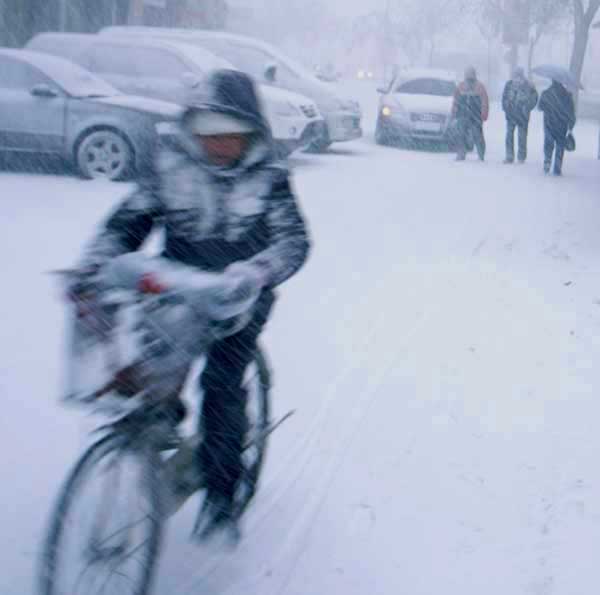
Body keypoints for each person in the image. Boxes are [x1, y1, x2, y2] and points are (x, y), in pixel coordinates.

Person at [71, 69, 311, 539]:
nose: (217, 143)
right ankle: (158, 423)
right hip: (174, 288)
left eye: (231, 134)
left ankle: (223, 499)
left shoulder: (270, 177)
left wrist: (256, 272)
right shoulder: (170, 167)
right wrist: (94, 267)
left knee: (221, 386)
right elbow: (126, 223)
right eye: (206, 131)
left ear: (252, 132)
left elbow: (294, 241)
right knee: (147, 371)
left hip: (238, 297)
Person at [538, 79, 576, 176]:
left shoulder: (546, 93)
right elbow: (571, 112)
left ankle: (547, 161)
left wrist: (549, 107)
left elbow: (540, 107)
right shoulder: (567, 95)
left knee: (548, 143)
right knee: (560, 146)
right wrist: (571, 126)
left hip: (549, 123)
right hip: (562, 125)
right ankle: (557, 167)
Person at [451, 66, 489, 162]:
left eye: (471, 74)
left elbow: (484, 101)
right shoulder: (461, 86)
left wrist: (484, 113)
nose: (469, 76)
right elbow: (456, 100)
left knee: (478, 135)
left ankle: (481, 154)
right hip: (462, 115)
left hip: (475, 116)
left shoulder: (480, 87)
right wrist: (454, 111)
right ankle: (461, 153)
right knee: (460, 135)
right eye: (468, 74)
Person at [502, 67, 538, 164]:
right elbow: (504, 97)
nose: (517, 76)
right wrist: (506, 106)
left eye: (518, 74)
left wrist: (527, 107)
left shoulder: (529, 85)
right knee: (510, 136)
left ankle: (521, 156)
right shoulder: (509, 84)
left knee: (521, 136)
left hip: (522, 115)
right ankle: (510, 156)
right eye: (515, 74)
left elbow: (534, 98)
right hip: (512, 114)